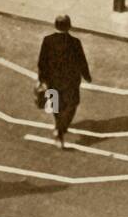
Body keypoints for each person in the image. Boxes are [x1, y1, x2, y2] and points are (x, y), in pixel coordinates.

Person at [37, 15, 92, 147]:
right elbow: (81, 61)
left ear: (55, 25)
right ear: (69, 26)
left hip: (52, 80)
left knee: (56, 105)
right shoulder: (75, 42)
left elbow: (42, 62)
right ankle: (61, 128)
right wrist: (87, 76)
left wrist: (42, 79)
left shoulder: (47, 40)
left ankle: (59, 125)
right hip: (70, 81)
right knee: (72, 104)